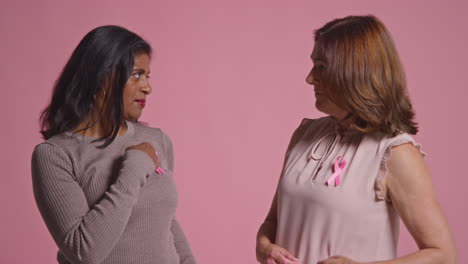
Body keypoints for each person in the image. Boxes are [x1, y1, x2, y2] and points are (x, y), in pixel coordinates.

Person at [256, 15, 456, 264]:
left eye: (321, 67)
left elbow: (444, 255)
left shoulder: (395, 152)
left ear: (353, 73)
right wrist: (264, 248)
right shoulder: (304, 135)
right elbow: (273, 221)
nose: (310, 78)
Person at [31, 25, 196, 264]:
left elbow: (165, 221)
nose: (147, 87)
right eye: (137, 74)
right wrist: (135, 168)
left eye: (147, 76)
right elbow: (84, 252)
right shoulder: (55, 155)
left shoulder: (157, 140)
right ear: (103, 77)